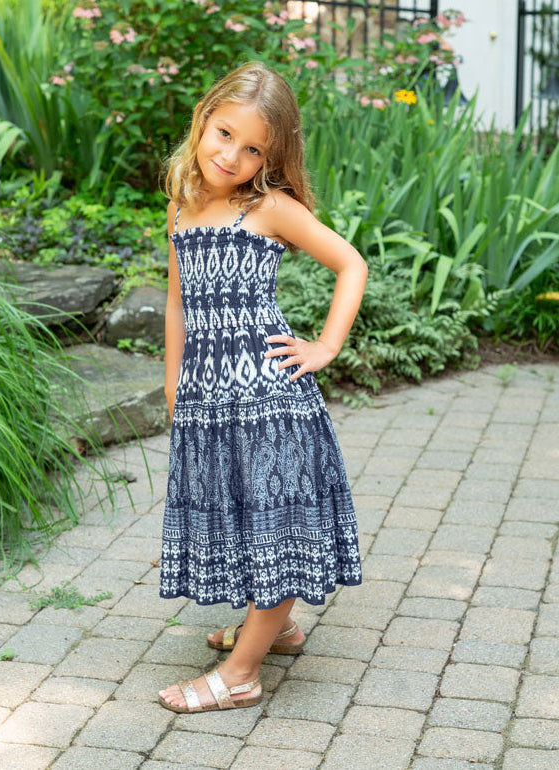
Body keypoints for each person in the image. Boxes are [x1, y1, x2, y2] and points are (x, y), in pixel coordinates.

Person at [158, 61, 368, 713]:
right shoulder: (182, 206)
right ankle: (276, 626)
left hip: (269, 401)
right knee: (246, 517)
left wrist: (326, 346)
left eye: (253, 150)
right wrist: (173, 384)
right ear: (204, 119)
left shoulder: (268, 207)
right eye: (225, 134)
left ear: (271, 159)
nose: (232, 156)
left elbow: (351, 264)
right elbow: (177, 303)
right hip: (211, 399)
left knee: (275, 525)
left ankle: (241, 673)